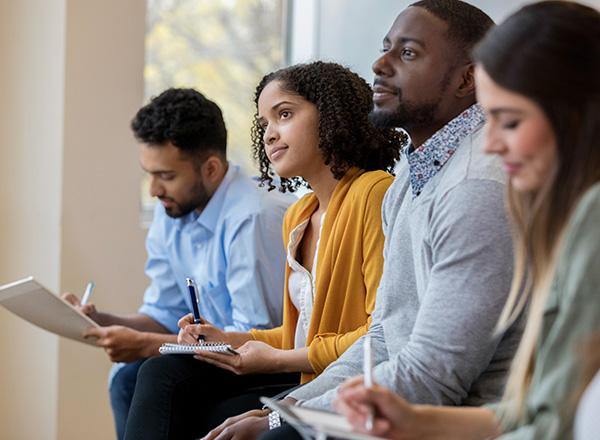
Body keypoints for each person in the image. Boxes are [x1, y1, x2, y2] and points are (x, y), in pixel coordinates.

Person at [214, 1, 525, 439]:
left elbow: (433, 377)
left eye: (409, 53)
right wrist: (287, 408)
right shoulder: (407, 184)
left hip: (462, 420)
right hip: (401, 402)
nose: (380, 64)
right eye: (385, 49)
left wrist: (287, 419)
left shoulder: (475, 186)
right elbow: (382, 337)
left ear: (467, 78)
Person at [335, 2, 600, 439]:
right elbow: (540, 410)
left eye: (509, 121)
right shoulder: (407, 181)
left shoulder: (488, 190)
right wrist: (414, 421)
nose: (491, 144)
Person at [122, 61, 402, 440]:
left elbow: (380, 334)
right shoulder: (301, 214)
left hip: (338, 379)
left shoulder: (373, 193)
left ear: (332, 115)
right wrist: (223, 338)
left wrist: (277, 359)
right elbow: (296, 333)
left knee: (210, 410)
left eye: (284, 115)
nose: (270, 134)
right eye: (263, 124)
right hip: (302, 368)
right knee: (158, 371)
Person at [64, 88, 293, 440]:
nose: (154, 190)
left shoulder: (253, 217)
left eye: (166, 176)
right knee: (125, 378)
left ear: (212, 168)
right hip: (217, 359)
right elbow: (163, 313)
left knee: (155, 375)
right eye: (149, 174)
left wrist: (143, 344)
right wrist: (99, 321)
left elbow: (253, 343)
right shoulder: (171, 211)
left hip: (269, 362)